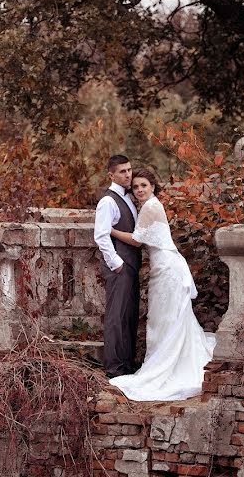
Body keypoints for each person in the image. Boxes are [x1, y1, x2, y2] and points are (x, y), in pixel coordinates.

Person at [108, 167, 216, 401]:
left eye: (143, 185)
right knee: (164, 319)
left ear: (153, 187)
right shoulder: (150, 205)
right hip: (164, 267)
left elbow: (136, 241)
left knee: (166, 319)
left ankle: (166, 367)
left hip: (168, 269)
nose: (139, 190)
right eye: (135, 187)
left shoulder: (151, 206)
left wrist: (111, 230)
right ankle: (170, 360)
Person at [93, 155, 142, 378]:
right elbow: (101, 236)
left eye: (129, 170)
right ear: (111, 175)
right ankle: (114, 368)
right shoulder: (108, 201)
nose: (128, 174)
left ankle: (126, 364)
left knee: (128, 316)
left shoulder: (128, 198)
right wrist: (117, 264)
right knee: (116, 316)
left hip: (131, 265)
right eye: (122, 171)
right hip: (120, 266)